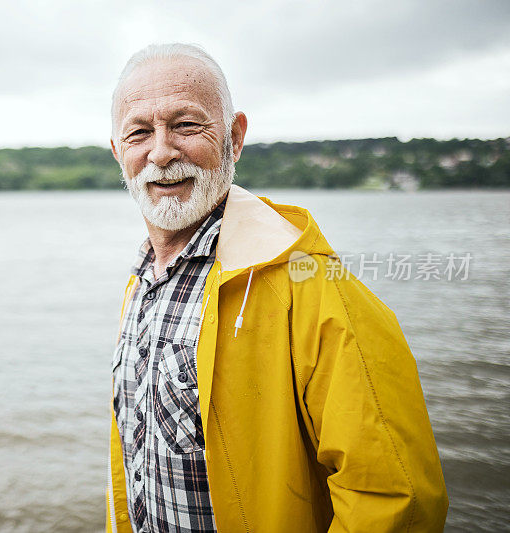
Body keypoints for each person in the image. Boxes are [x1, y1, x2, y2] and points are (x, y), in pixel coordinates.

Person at [105, 43, 448, 533]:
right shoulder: (141, 283)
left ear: (234, 137)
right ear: (119, 154)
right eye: (139, 132)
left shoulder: (315, 286)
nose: (161, 151)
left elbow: (396, 499)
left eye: (186, 125)